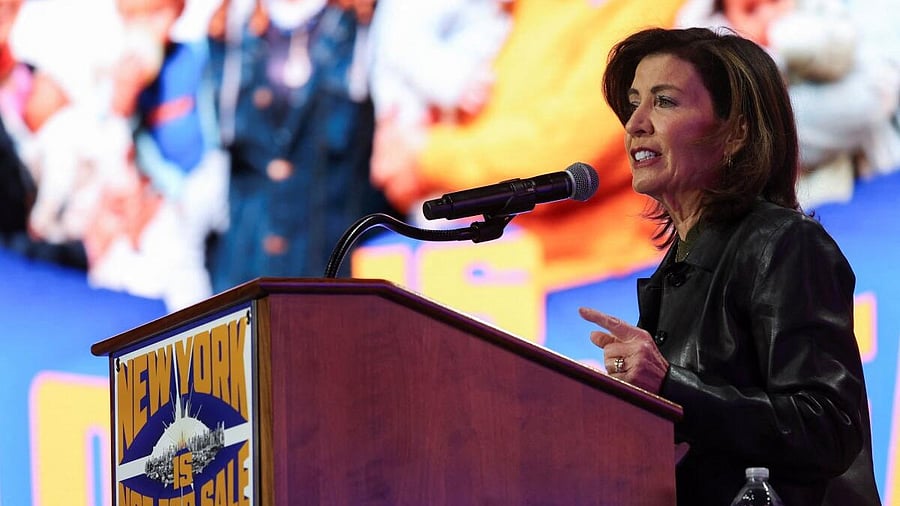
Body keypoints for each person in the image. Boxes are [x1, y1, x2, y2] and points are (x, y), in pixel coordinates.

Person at [578, 27, 881, 505]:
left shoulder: (784, 244)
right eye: (634, 102)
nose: (635, 122)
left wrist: (671, 387)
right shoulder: (676, 269)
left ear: (736, 132)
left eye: (664, 102)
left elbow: (829, 428)